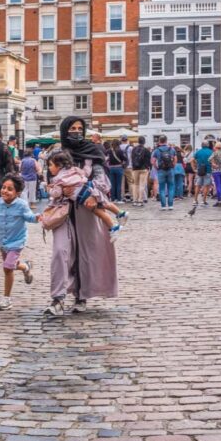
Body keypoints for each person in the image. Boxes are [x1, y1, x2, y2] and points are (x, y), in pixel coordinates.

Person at [45, 117, 118, 317]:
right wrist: (60, 189)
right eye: (72, 128)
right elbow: (50, 180)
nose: (76, 131)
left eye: (79, 128)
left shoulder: (93, 152)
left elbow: (102, 179)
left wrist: (91, 192)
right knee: (61, 252)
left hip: (87, 209)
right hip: (63, 211)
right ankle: (58, 298)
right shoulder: (57, 153)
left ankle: (81, 295)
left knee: (85, 254)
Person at [0, 174, 36, 311]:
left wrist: (39, 217)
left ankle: (6, 299)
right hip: (3, 242)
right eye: (3, 187)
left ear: (17, 193)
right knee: (11, 265)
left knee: (7, 268)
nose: (5, 191)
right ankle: (25, 267)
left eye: (10, 189)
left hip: (17, 241)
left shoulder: (21, 205)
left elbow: (29, 217)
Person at [47, 151, 127, 241]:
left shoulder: (58, 179)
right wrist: (88, 162)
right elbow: (86, 173)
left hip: (83, 197)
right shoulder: (74, 169)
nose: (49, 168)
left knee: (100, 212)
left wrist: (49, 190)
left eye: (50, 165)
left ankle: (113, 227)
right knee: (105, 203)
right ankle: (120, 213)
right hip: (90, 187)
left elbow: (56, 193)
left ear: (59, 166)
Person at [152, 135, 178, 210]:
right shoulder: (171, 149)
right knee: (171, 187)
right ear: (166, 141)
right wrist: (173, 166)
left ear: (159, 141)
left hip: (161, 170)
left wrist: (156, 168)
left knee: (162, 188)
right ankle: (170, 205)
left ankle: (163, 206)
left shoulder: (157, 150)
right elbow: (175, 159)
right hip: (170, 170)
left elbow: (153, 161)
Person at [130, 137, 151, 206]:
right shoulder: (146, 150)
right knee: (142, 185)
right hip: (144, 169)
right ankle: (140, 200)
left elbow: (132, 158)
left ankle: (134, 200)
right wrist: (148, 167)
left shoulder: (134, 149)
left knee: (135, 185)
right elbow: (148, 161)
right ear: (144, 142)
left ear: (138, 141)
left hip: (135, 169)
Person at [191, 140, 214, 207]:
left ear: (201, 145)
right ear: (208, 145)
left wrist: (194, 169)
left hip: (199, 170)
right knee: (206, 186)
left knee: (198, 185)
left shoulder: (198, 152)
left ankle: (195, 200)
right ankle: (203, 201)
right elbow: (213, 161)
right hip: (208, 170)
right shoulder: (211, 152)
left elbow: (192, 160)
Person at [105, 139, 126, 204]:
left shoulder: (108, 151)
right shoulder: (120, 151)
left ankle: (113, 199)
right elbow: (125, 159)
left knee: (112, 184)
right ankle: (119, 199)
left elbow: (105, 158)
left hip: (111, 168)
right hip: (119, 168)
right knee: (118, 184)